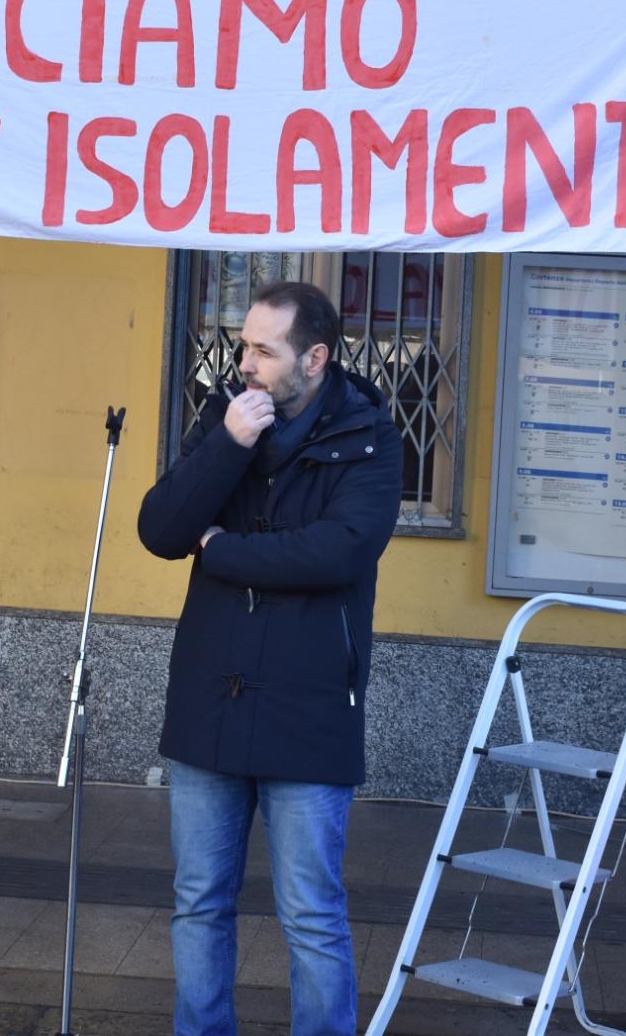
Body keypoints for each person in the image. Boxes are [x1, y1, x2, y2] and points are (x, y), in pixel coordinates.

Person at [137, 281, 401, 1036]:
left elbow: (338, 552)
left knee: (312, 915)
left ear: (314, 358)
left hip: (310, 707)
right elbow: (160, 529)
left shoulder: (372, 438)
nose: (243, 363)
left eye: (262, 350)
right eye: (241, 344)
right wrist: (227, 445)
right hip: (208, 703)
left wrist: (224, 552)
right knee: (198, 904)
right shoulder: (225, 423)